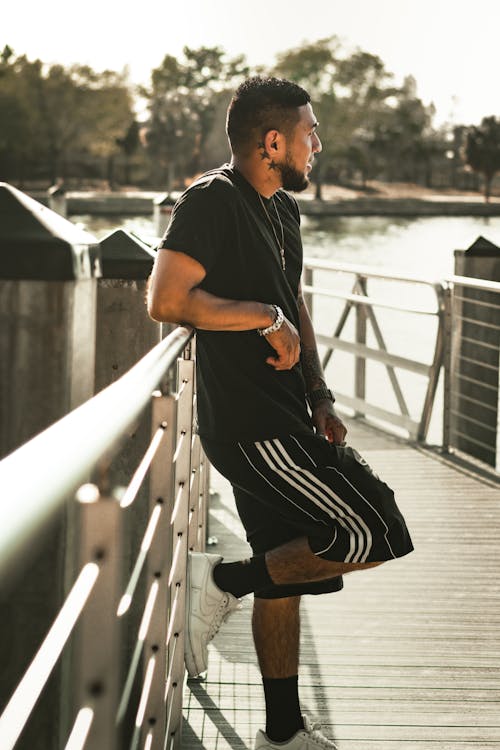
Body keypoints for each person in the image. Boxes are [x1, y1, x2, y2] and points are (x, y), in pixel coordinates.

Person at [147, 76, 413, 750]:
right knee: (371, 531)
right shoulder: (211, 201)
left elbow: (293, 306)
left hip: (289, 415)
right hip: (249, 425)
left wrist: (320, 394)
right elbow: (167, 300)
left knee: (287, 576)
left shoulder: (281, 210)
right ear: (272, 142)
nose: (317, 144)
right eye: (309, 132)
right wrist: (258, 317)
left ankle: (284, 731)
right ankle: (222, 579)